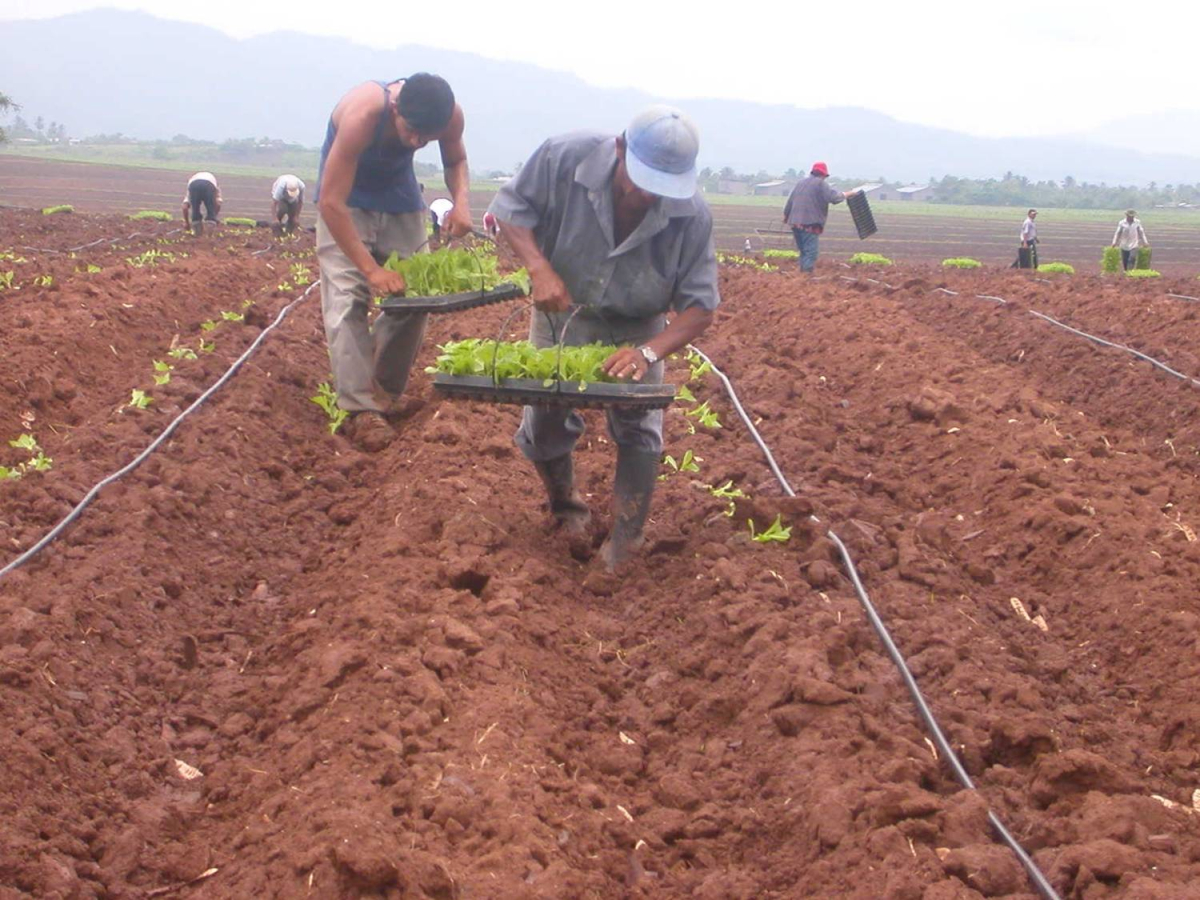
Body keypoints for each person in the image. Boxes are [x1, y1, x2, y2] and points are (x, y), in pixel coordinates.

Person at [489, 105, 719, 571]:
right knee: (547, 416)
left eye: (662, 188)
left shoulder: (691, 214)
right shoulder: (562, 156)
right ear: (619, 149)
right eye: (640, 181)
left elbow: (700, 306)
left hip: (638, 326)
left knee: (640, 427)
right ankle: (567, 510)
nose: (648, 197)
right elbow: (512, 209)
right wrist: (538, 268)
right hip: (562, 311)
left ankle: (625, 542)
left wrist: (648, 351)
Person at [315, 73, 473, 451]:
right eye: (413, 132)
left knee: (415, 298)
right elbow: (329, 202)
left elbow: (457, 159)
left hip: (400, 198)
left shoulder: (449, 115)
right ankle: (359, 409)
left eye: (427, 139)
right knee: (347, 298)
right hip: (345, 201)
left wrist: (462, 202)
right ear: (395, 108)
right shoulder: (363, 113)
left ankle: (382, 393)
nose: (418, 143)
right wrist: (371, 269)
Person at [782, 162, 858, 273]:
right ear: (823, 175)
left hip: (795, 223)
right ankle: (806, 277)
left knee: (804, 252)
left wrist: (786, 216)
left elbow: (790, 201)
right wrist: (848, 194)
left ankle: (802, 275)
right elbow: (834, 198)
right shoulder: (820, 184)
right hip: (809, 224)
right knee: (811, 253)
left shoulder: (800, 183)